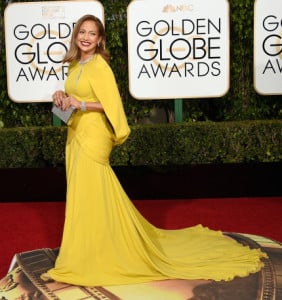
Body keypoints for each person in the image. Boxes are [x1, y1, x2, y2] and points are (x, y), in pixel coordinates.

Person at [42, 14, 267, 287]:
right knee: (83, 193)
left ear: (99, 39)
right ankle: (89, 247)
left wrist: (82, 105)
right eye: (82, 32)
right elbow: (74, 98)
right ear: (76, 36)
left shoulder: (100, 66)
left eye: (92, 33)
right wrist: (61, 98)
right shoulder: (76, 64)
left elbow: (111, 106)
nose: (86, 37)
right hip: (75, 133)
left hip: (94, 135)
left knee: (91, 189)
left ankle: (96, 253)